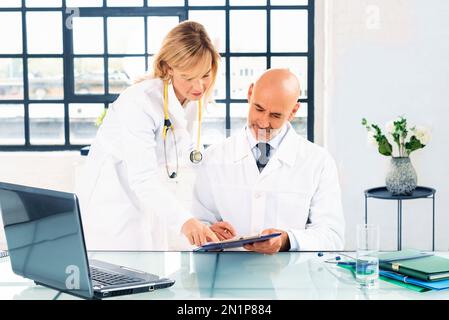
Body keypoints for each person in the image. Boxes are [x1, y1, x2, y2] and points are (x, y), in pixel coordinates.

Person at [76, 21, 221, 251]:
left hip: (150, 201)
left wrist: (210, 221)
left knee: (150, 273)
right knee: (117, 274)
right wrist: (187, 223)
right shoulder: (139, 102)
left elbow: (191, 158)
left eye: (205, 74)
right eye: (188, 76)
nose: (199, 86)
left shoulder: (192, 100)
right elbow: (142, 178)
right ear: (168, 67)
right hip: (113, 202)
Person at [192, 69, 345, 254]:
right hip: (228, 276)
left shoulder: (318, 162)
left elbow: (332, 236)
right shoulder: (214, 158)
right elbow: (198, 222)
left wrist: (287, 240)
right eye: (259, 109)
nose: (264, 122)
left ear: (293, 111)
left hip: (290, 278)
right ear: (250, 94)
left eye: (276, 115)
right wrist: (207, 233)